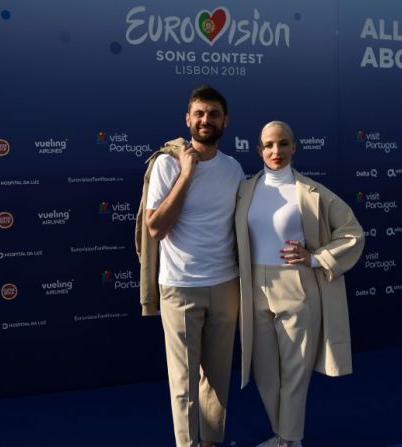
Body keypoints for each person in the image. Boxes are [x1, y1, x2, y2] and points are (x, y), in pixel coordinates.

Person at [235, 121, 364, 447]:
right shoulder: (244, 190)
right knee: (264, 373)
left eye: (283, 143)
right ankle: (286, 436)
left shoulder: (312, 192)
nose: (275, 151)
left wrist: (316, 258)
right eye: (268, 145)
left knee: (295, 372)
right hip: (253, 287)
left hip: (298, 288)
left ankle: (288, 440)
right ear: (259, 150)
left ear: (294, 147)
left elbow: (353, 233)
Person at [140, 85, 245, 447]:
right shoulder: (167, 164)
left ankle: (210, 442)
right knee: (184, 383)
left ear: (225, 121)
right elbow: (155, 227)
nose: (205, 120)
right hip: (181, 286)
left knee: (217, 379)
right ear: (188, 119)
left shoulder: (233, 169)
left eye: (213, 114)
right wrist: (186, 174)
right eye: (199, 113)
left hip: (226, 284)